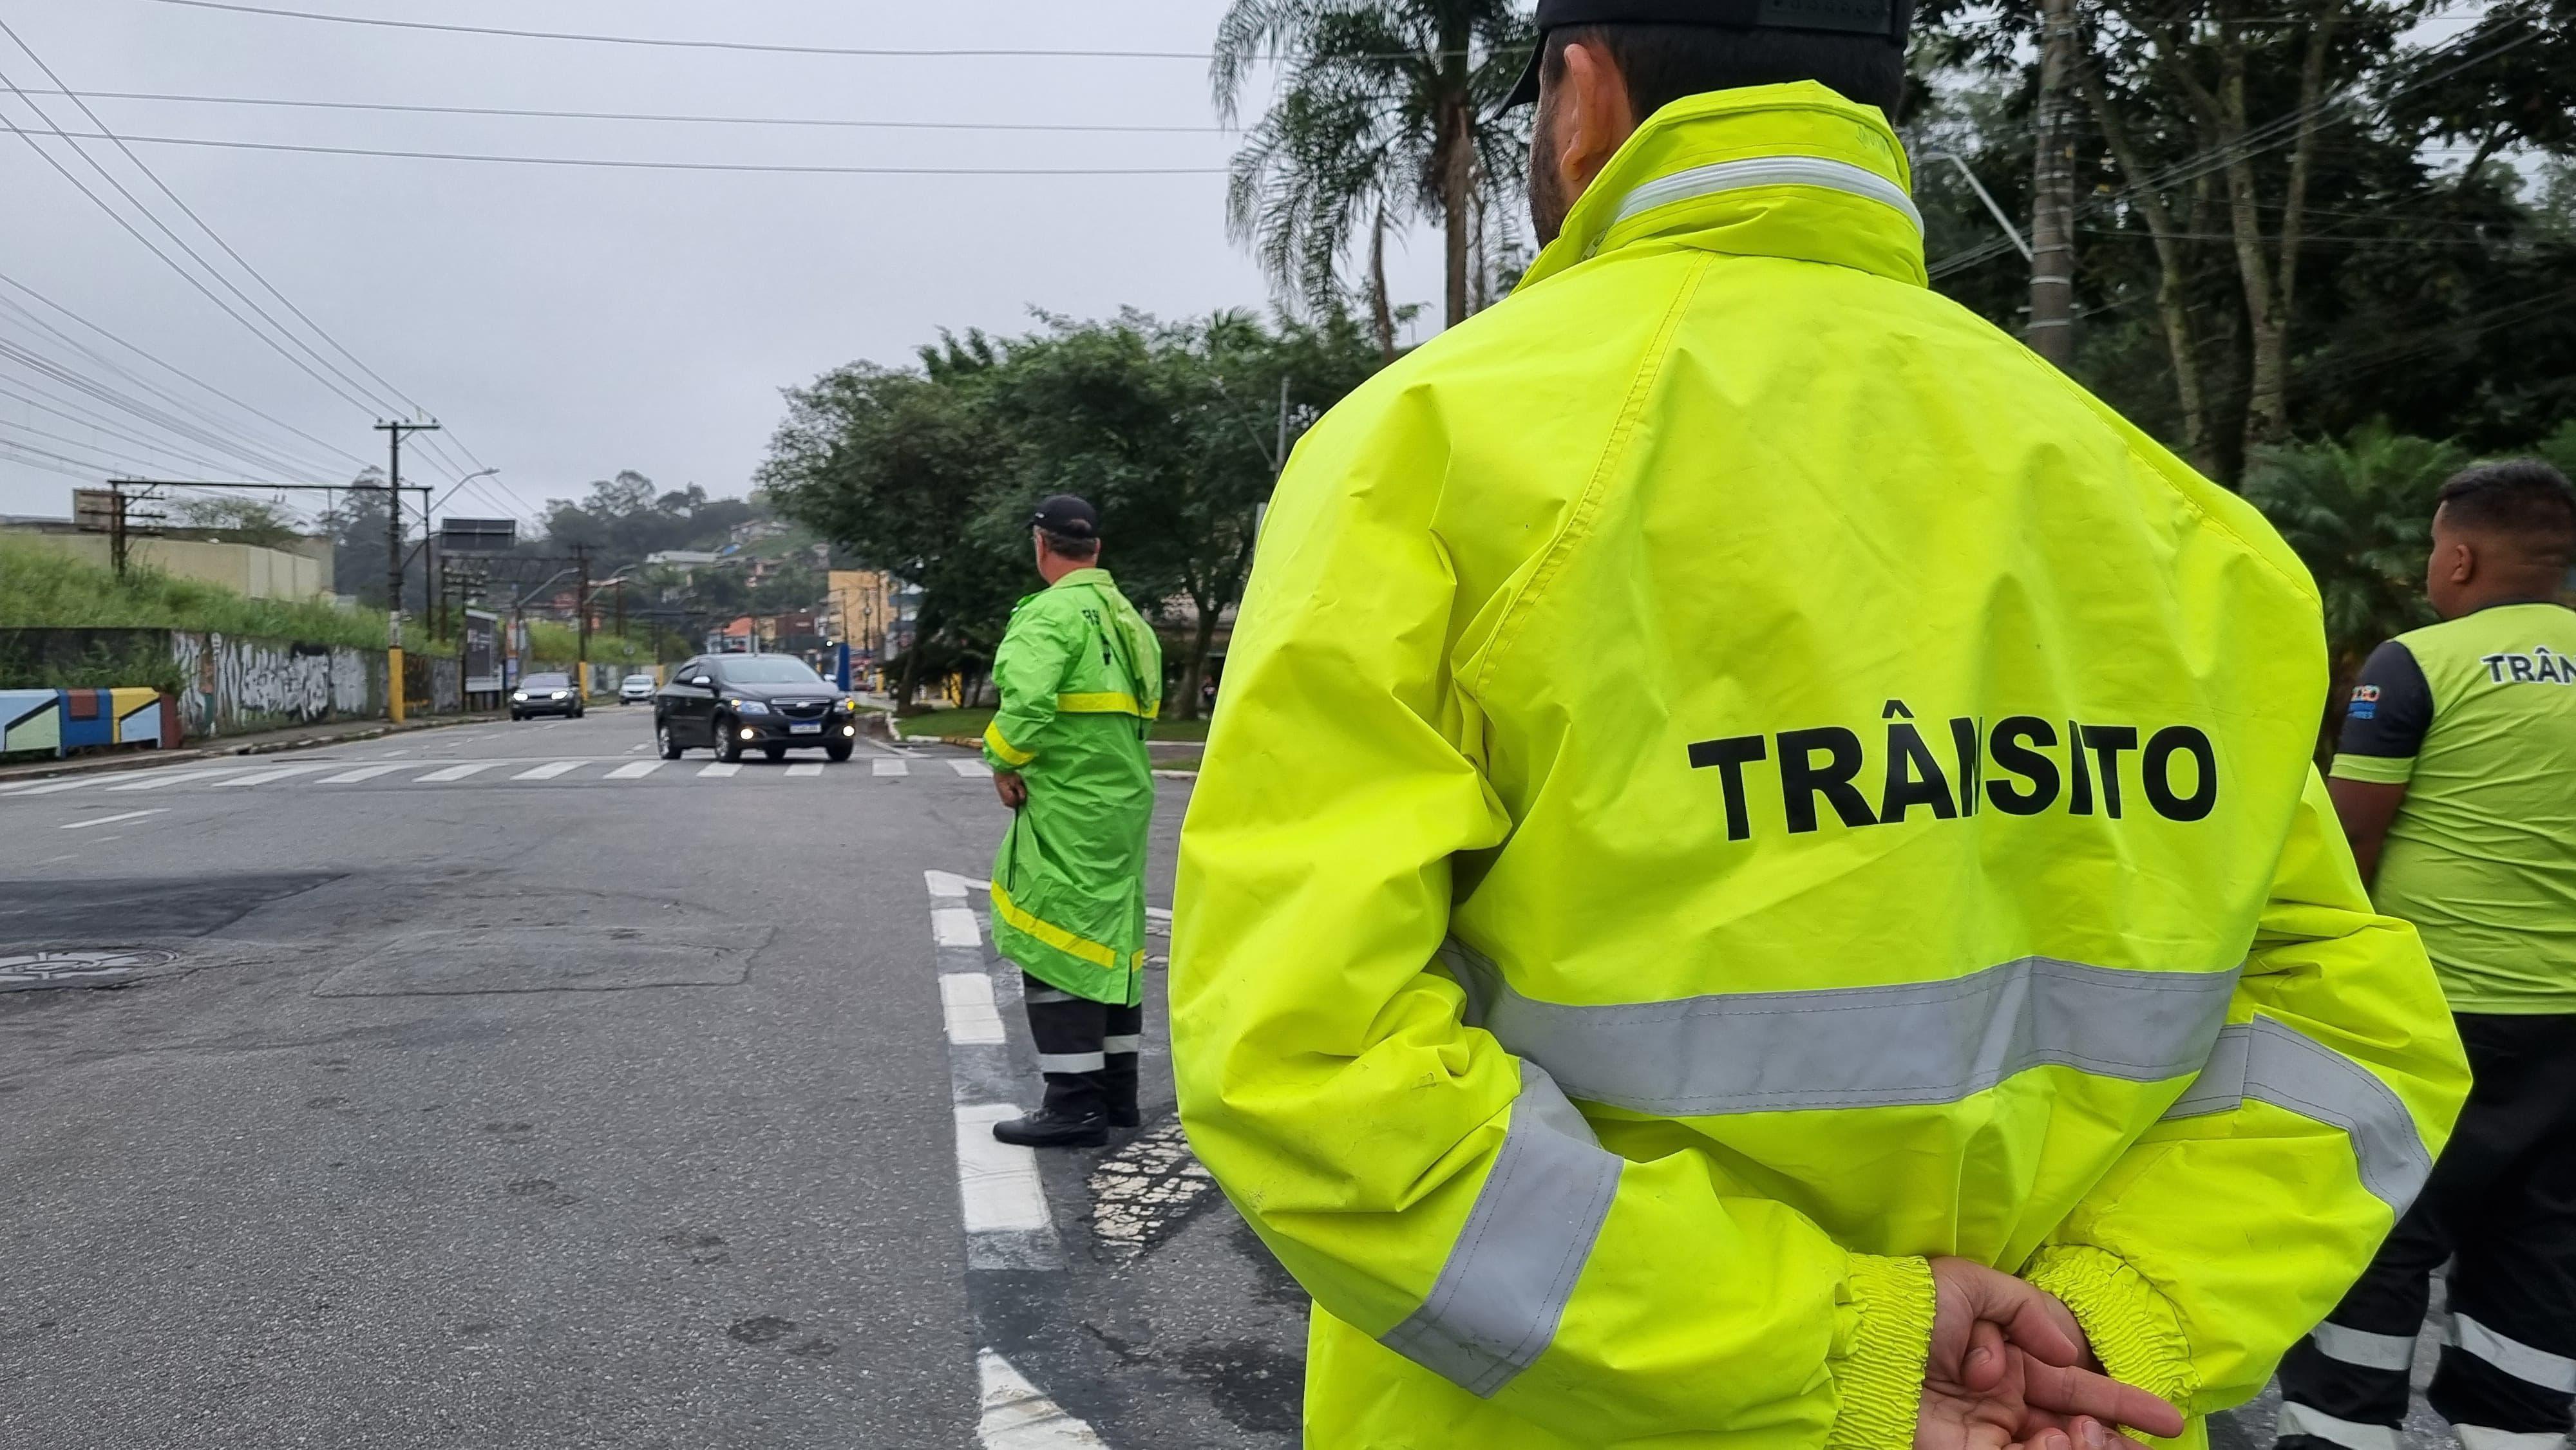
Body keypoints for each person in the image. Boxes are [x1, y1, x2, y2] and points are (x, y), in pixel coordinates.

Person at [1170, 4, 2472, 1447]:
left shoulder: (1425, 455)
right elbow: (2346, 1021)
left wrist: (1843, 1346)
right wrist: (2115, 1320)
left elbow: (1306, 1064)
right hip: (2068, 1410)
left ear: (1579, 97)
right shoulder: (2180, 520)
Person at [2275, 460, 2576, 1450]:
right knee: (2543, 1252)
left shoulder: (2417, 664)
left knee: (2384, 1233)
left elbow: (2349, 843)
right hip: (2568, 1030)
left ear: (2457, 554)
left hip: (2432, 1014)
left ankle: (2340, 1433)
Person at [982, 494, 1165, 1149]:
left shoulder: (1049, 615)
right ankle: (1117, 1096)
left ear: (1040, 544)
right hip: (1121, 800)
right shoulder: (1127, 618)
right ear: (1096, 548)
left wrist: (1000, 758)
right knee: (1109, 943)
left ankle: (1073, 1104)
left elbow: (1027, 704)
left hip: (1065, 799)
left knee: (1054, 941)